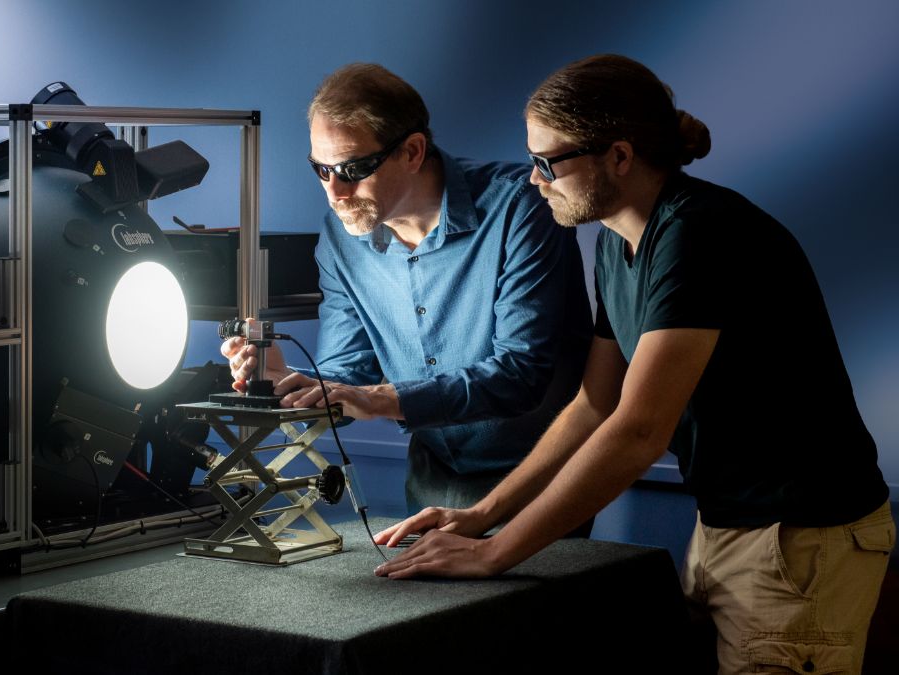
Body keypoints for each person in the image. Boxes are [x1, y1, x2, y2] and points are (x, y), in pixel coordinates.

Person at [373, 54, 894, 675]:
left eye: (547, 162)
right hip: (729, 527)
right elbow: (595, 405)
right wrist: (482, 515)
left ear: (618, 156)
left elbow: (639, 430)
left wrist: (494, 555)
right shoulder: (619, 248)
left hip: (800, 540)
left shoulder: (698, 232)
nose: (533, 180)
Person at [221, 63, 593, 513]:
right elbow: (350, 373)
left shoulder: (520, 208)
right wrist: (288, 382)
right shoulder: (340, 239)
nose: (335, 191)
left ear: (413, 152)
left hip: (543, 477)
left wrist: (382, 399)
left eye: (354, 168)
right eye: (321, 169)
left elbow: (520, 374)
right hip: (432, 477)